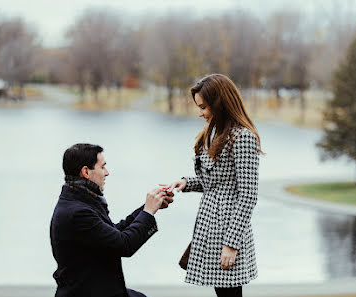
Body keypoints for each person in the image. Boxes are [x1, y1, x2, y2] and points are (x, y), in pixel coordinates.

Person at [164, 74, 262, 297]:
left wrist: (231, 243)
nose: (200, 113)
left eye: (204, 107)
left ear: (220, 103)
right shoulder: (214, 133)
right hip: (209, 224)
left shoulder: (242, 137)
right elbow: (216, 183)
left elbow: (248, 195)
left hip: (228, 228)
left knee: (230, 294)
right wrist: (186, 183)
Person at [50, 143, 173, 297]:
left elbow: (113, 233)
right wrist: (148, 212)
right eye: (103, 167)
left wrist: (149, 206)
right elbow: (124, 244)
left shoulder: (79, 200)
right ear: (86, 171)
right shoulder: (78, 212)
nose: (107, 173)